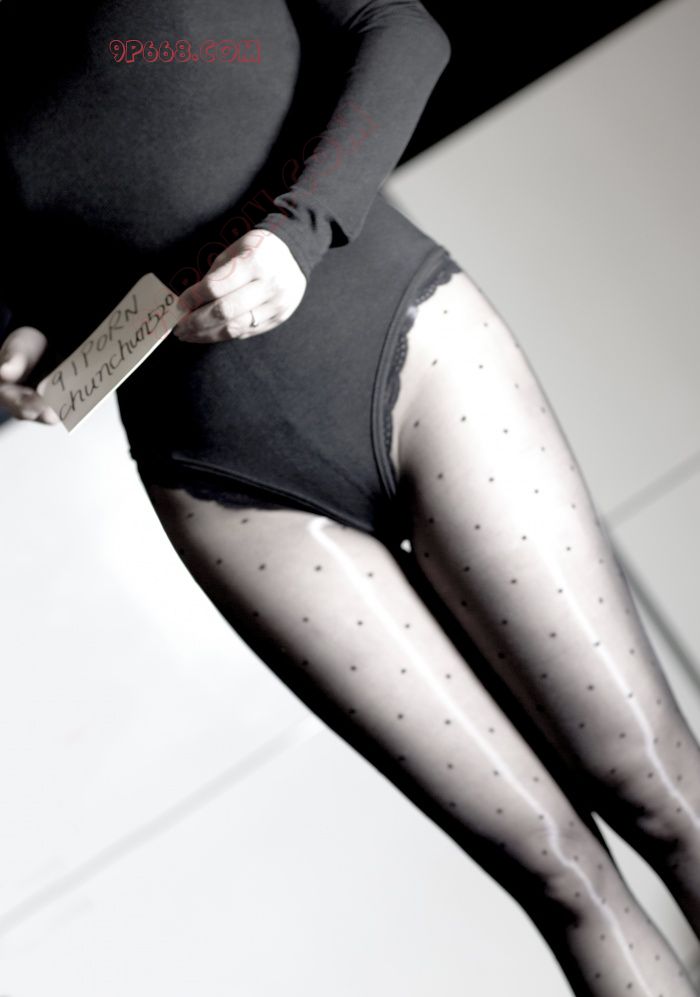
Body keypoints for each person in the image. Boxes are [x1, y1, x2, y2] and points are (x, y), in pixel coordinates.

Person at [1, 1, 699, 993]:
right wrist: (26, 339)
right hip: (219, 478)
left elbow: (398, 27)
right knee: (554, 870)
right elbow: (48, 254)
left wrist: (298, 229)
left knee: (658, 788)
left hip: (399, 346)